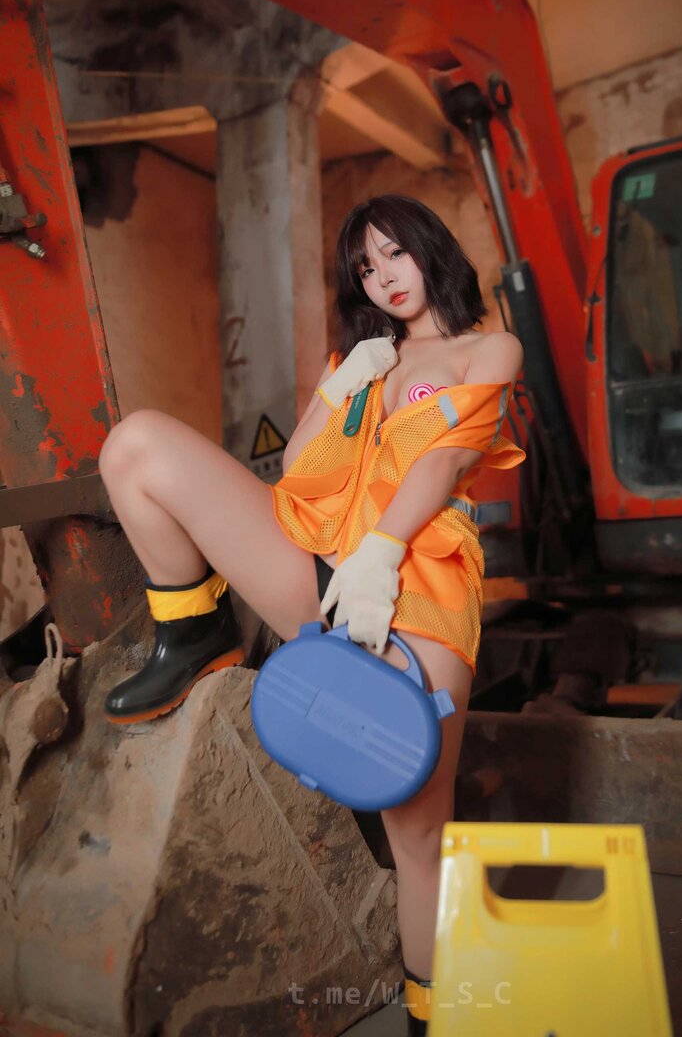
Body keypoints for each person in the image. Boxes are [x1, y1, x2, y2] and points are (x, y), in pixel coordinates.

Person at [99, 193, 524, 1035]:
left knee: (417, 831)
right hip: (318, 558)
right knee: (136, 445)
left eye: (394, 253)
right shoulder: (362, 356)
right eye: (365, 266)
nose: (383, 276)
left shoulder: (488, 348)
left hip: (418, 573)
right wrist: (344, 381)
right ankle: (195, 632)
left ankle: (433, 1015)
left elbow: (447, 460)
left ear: (430, 250)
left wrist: (382, 551)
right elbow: (296, 466)